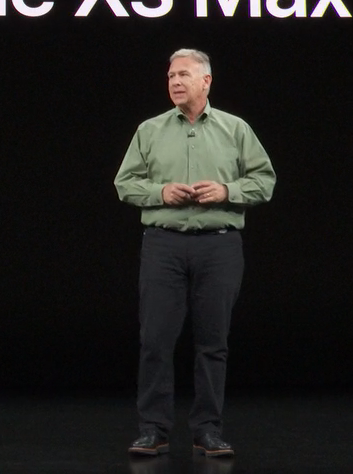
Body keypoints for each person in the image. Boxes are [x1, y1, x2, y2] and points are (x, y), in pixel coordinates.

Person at [114, 48, 277, 459]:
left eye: (184, 74)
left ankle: (208, 430)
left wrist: (227, 190)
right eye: (171, 75)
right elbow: (124, 183)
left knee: (212, 343)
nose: (175, 81)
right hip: (163, 245)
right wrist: (160, 192)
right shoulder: (149, 130)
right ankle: (153, 430)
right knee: (155, 340)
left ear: (206, 81)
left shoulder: (235, 129)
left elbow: (264, 181)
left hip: (219, 245)